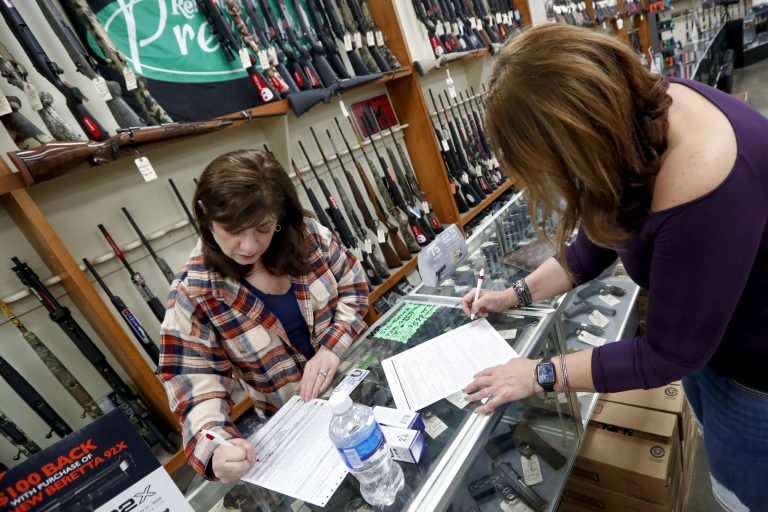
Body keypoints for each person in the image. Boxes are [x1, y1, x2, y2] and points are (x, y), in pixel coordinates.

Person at [461, 24, 768, 511]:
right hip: (711, 348)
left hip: (756, 373)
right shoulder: (636, 128)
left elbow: (666, 355)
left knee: (743, 496)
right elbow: (594, 244)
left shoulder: (701, 174)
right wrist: (514, 295)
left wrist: (540, 374)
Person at [158, 149, 369, 481]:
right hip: (295, 429)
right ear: (205, 212)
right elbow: (194, 384)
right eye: (232, 230)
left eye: (262, 228)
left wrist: (330, 348)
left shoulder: (308, 237)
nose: (248, 246)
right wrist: (216, 450)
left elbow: (353, 287)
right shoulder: (195, 291)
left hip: (363, 385)